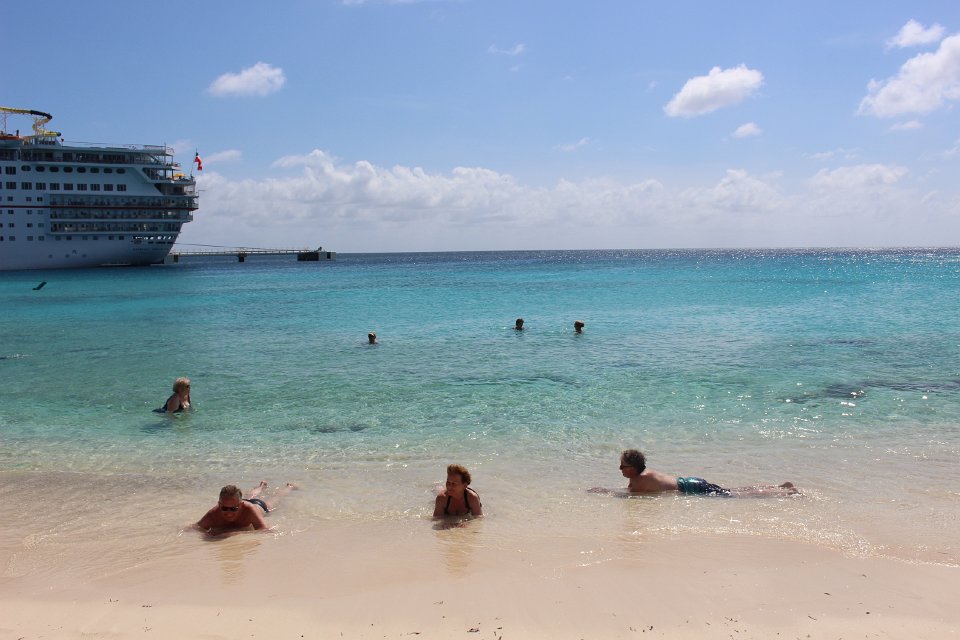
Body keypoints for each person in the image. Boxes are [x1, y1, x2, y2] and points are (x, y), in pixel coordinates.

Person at [617, 449, 799, 497]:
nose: (620, 469)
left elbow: (629, 495)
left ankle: (786, 493)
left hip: (691, 488)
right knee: (733, 490)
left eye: (622, 466)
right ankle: (780, 487)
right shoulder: (645, 474)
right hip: (691, 482)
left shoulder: (639, 481)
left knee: (736, 495)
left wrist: (606, 492)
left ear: (632, 468)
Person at [196, 481, 296, 534]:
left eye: (233, 509)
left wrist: (230, 533)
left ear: (241, 505)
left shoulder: (250, 509)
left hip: (259, 506)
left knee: (276, 498)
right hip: (241, 500)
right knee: (250, 495)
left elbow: (264, 529)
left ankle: (289, 487)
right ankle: (262, 486)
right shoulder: (214, 513)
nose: (229, 513)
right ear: (219, 504)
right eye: (224, 508)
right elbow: (196, 527)